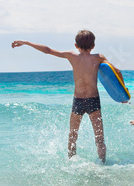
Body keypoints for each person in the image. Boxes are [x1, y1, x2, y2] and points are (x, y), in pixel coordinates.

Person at [12, 30, 109, 163]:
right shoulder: (99, 57)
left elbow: (48, 50)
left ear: (76, 45)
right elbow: (115, 73)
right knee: (99, 137)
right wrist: (123, 94)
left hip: (78, 101)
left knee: (73, 135)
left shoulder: (72, 56)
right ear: (93, 45)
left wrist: (27, 42)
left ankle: (71, 162)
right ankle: (103, 163)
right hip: (93, 100)